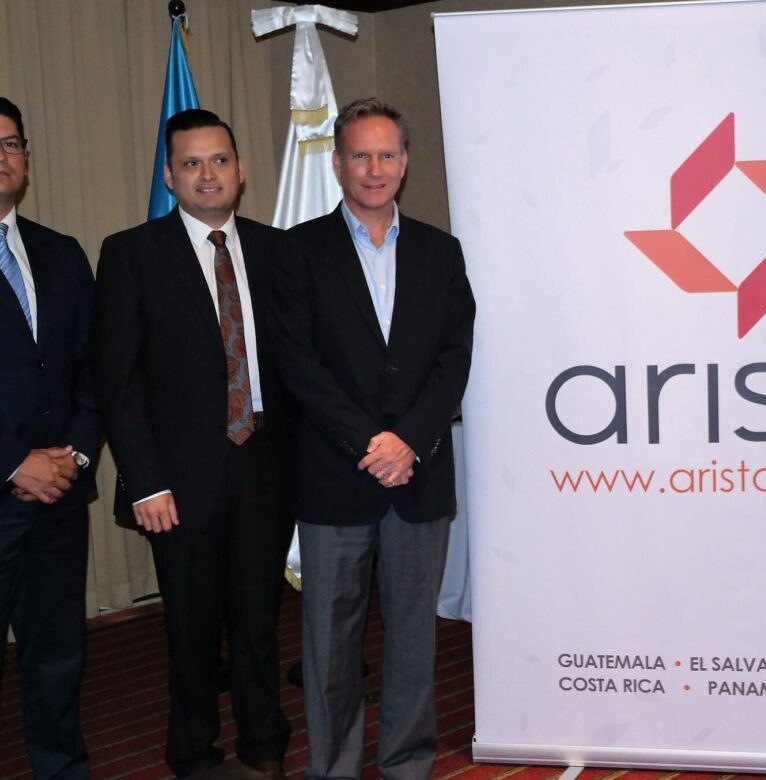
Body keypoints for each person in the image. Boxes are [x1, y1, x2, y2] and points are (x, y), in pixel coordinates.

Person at [272, 97, 474, 779]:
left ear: (405, 162)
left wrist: (407, 441)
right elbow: (298, 363)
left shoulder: (441, 253)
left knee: (415, 635)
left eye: (387, 154)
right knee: (330, 641)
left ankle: (407, 762)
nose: (375, 168)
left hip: (419, 475)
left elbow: (454, 358)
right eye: (360, 155)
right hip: (336, 475)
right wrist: (371, 444)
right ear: (337, 164)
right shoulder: (298, 251)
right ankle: (333, 768)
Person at [92, 109, 293, 778]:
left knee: (259, 619)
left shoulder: (276, 250)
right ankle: (194, 752)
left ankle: (264, 744)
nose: (209, 174)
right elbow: (118, 382)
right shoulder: (131, 254)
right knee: (191, 626)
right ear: (169, 176)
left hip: (265, 466)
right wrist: (144, 481)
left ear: (241, 169)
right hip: (177, 480)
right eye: (192, 163)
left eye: (220, 160)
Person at [0, 96, 97, 780]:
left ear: (26, 159)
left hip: (60, 496)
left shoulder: (61, 253)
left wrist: (74, 455)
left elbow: (95, 370)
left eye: (10, 143)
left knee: (59, 655)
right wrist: (13, 464)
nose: (1, 156)